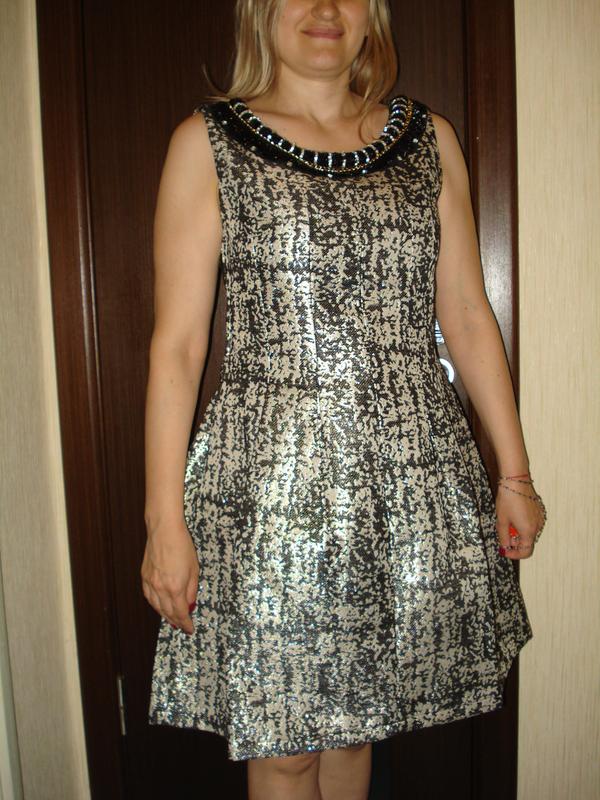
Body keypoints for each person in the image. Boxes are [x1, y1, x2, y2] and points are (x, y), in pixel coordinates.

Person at [141, 1, 546, 798]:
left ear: (372, 16)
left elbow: (467, 316)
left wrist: (515, 474)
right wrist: (164, 522)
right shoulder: (208, 142)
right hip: (271, 491)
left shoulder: (428, 141)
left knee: (360, 725)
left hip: (407, 479)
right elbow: (178, 347)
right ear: (261, 11)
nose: (326, 8)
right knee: (286, 743)